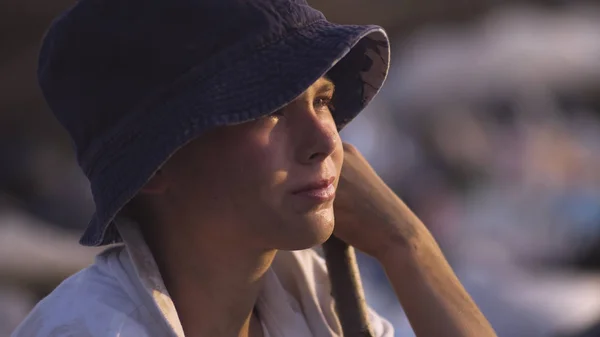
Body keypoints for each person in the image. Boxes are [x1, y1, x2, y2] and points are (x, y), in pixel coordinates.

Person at [12, 0, 496, 336]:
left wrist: (407, 244)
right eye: (272, 110)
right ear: (156, 165)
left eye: (322, 99)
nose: (327, 140)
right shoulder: (94, 330)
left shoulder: (304, 292)